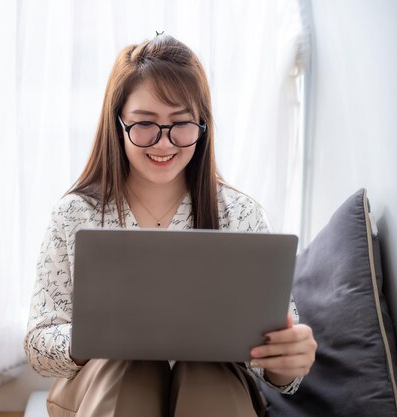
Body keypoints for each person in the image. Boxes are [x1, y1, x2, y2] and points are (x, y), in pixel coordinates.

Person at [24, 34, 317, 417]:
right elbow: (38, 346)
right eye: (145, 124)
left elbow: (279, 361)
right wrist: (93, 339)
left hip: (213, 387)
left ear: (202, 126)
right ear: (118, 124)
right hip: (104, 385)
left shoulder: (239, 215)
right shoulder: (76, 213)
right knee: (129, 366)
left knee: (204, 372)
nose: (164, 144)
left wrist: (287, 360)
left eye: (181, 125)